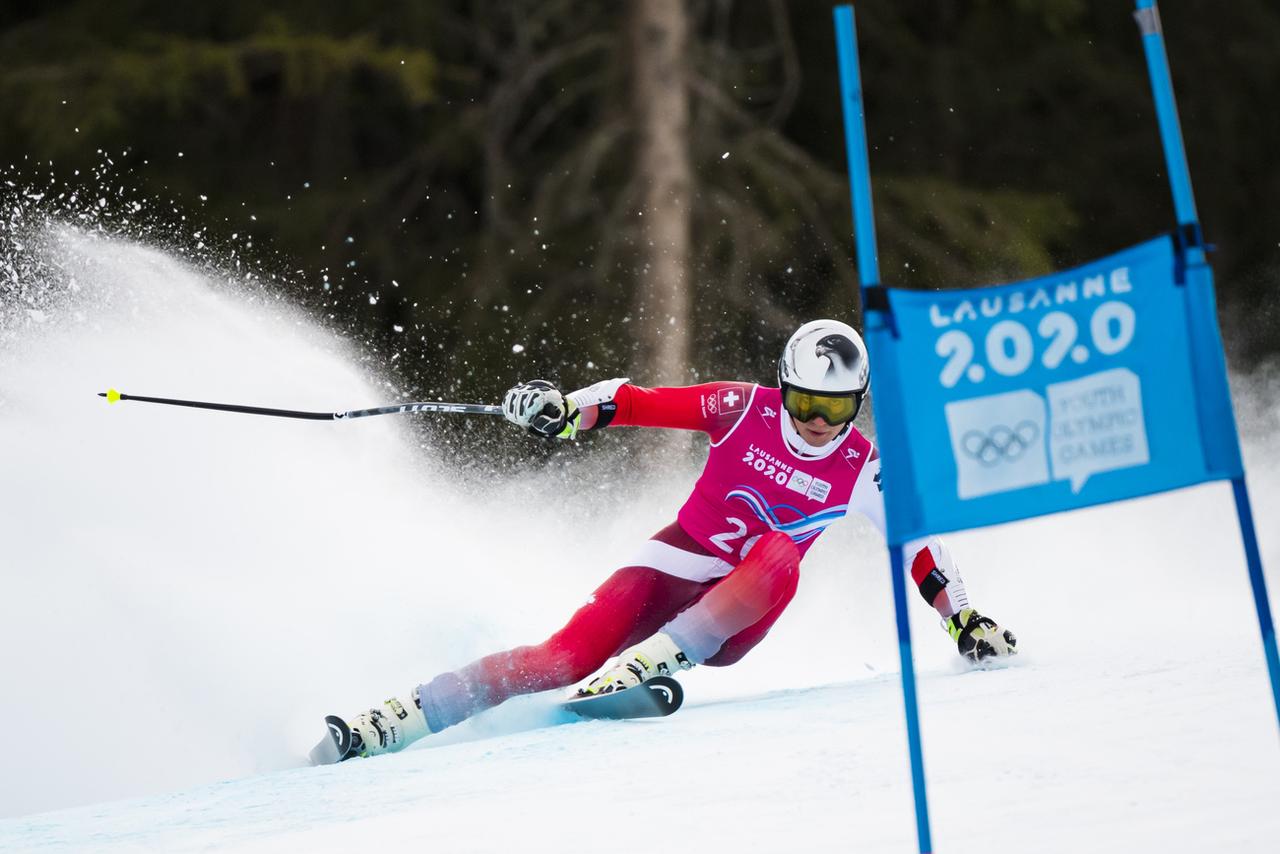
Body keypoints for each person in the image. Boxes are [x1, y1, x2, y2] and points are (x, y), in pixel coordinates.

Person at [337, 319, 1016, 758]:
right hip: (670, 564)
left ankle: (660, 659)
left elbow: (918, 544)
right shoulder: (740, 407)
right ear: (783, 387)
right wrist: (563, 411)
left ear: (856, 399)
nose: (815, 421)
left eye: (834, 408)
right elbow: (632, 401)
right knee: (561, 657)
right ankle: (400, 717)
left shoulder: (862, 466)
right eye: (804, 402)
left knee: (780, 552)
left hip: (736, 614)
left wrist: (964, 620)